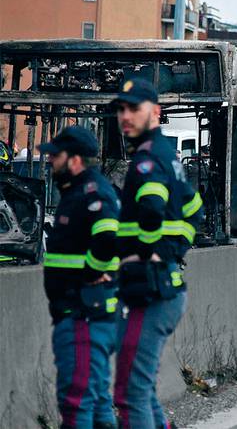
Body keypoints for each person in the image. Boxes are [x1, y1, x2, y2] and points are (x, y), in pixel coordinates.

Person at [112, 78, 203, 429]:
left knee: (130, 393)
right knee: (142, 388)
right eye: (121, 109)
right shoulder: (167, 154)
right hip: (162, 285)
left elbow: (151, 209)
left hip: (150, 290)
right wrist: (175, 248)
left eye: (134, 109)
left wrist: (147, 253)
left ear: (155, 112)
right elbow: (193, 208)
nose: (126, 116)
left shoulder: (148, 159)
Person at [38, 126, 120, 429]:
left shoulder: (92, 192)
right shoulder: (78, 192)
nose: (50, 161)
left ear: (74, 160)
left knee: (76, 400)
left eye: (55, 156)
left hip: (83, 313)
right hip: (80, 312)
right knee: (95, 398)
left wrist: (91, 272)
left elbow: (109, 236)